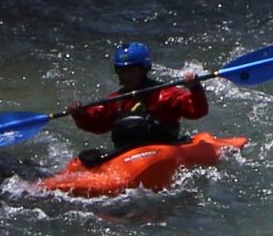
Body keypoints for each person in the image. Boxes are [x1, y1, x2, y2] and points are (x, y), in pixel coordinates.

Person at [68, 41, 209, 157]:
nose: (125, 76)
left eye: (130, 70)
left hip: (162, 152)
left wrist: (195, 87)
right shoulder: (117, 100)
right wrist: (80, 114)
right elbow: (97, 124)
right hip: (126, 157)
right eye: (121, 71)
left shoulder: (166, 94)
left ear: (143, 70)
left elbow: (197, 111)